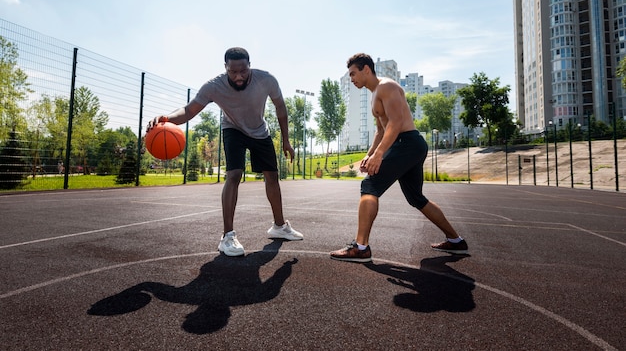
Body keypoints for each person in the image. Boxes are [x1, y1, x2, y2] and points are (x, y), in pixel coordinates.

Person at [148, 47, 303, 257]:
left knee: (272, 176)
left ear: (250, 66)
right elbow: (189, 110)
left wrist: (286, 140)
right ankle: (227, 236)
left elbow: (281, 108)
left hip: (259, 131)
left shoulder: (266, 80)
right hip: (233, 129)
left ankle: (279, 227)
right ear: (225, 68)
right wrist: (166, 118)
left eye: (243, 71)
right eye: (233, 71)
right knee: (234, 174)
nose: (238, 76)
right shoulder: (214, 86)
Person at [330, 53, 468, 262]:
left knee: (370, 186)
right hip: (407, 145)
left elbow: (396, 122)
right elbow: (380, 130)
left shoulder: (387, 86)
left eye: (353, 74)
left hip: (406, 143)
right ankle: (456, 241)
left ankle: (360, 247)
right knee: (416, 198)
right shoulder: (374, 94)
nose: (351, 79)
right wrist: (369, 155)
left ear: (366, 69)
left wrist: (380, 154)